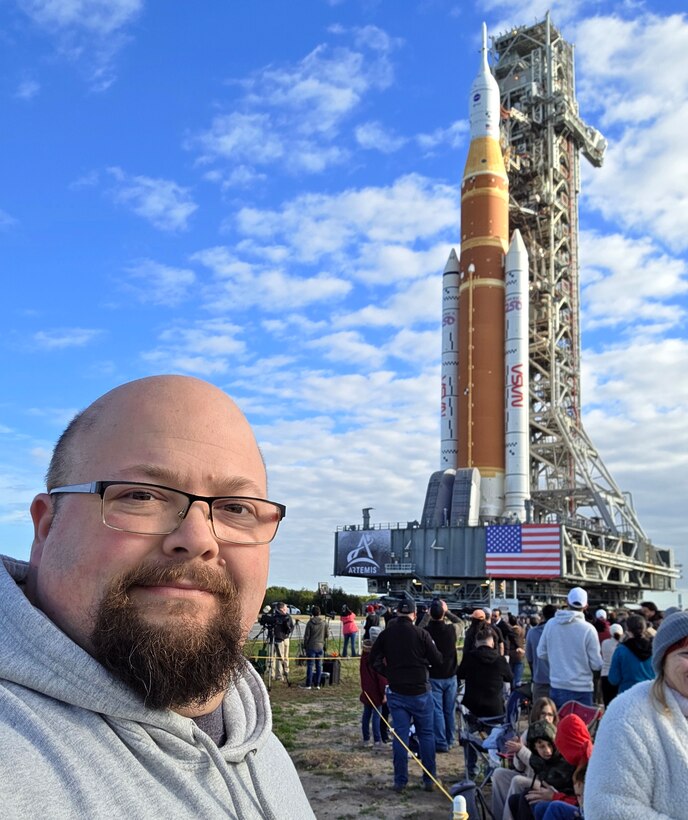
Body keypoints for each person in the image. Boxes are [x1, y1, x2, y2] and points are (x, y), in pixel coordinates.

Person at [0, 375, 314, 818]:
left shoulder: (253, 737)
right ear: (46, 527)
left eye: (236, 508)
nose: (199, 538)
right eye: (142, 496)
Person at [584, 610, 688, 818]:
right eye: (686, 654)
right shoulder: (627, 718)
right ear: (662, 660)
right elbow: (608, 807)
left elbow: (613, 677)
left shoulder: (621, 651)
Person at [369, 597, 443, 793]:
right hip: (420, 691)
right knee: (426, 735)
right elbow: (438, 660)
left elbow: (372, 659)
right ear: (414, 614)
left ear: (397, 613)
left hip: (397, 692)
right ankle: (429, 779)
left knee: (400, 737)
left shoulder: (387, 634)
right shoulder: (422, 634)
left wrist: (388, 673)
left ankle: (400, 781)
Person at [457, 624, 513, 779]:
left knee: (470, 740)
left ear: (476, 642)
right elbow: (510, 678)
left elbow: (460, 674)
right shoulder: (500, 660)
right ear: (493, 643)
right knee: (495, 742)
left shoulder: (469, 658)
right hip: (494, 710)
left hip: (473, 708)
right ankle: (494, 769)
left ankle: (471, 770)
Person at [491, 697, 559, 820]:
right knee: (498, 773)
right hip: (529, 776)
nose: (546, 718)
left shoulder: (555, 736)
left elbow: (543, 766)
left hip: (546, 783)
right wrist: (517, 753)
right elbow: (519, 767)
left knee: (518, 781)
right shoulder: (529, 733)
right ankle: (498, 816)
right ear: (536, 715)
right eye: (543, 714)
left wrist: (521, 750)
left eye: (550, 715)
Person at [537, 587, 602, 708]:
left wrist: (557, 659)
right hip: (583, 688)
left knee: (561, 726)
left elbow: (541, 653)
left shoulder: (551, 624)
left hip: (558, 685)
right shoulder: (588, 629)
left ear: (567, 602)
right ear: (586, 606)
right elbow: (596, 664)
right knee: (581, 726)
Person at [424, 599, 459, 752]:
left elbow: (416, 629)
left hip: (433, 674)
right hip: (450, 674)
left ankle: (441, 741)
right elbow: (461, 622)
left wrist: (426, 616)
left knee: (437, 710)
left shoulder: (425, 631)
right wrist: (448, 611)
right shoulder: (452, 629)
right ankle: (451, 739)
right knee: (449, 710)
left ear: (431, 613)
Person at [607, 613, 654, 694]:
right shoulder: (655, 649)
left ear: (628, 630)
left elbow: (614, 679)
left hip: (627, 694)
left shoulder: (621, 650)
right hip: (650, 694)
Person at [359, 631, 387, 749]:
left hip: (366, 690)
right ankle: (377, 740)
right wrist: (384, 693)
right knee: (376, 716)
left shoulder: (363, 657)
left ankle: (366, 739)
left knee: (366, 715)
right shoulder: (376, 659)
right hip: (376, 692)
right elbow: (380, 678)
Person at [526, 605, 557, 701]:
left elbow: (529, 657)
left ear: (543, 615)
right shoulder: (560, 632)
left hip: (540, 678)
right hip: (558, 679)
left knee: (539, 712)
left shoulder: (532, 632)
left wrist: (534, 674)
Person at [302, 605, 329, 689]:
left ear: (312, 613)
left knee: (310, 665)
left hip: (311, 646)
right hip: (320, 645)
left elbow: (306, 636)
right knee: (319, 665)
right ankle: (317, 684)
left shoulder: (310, 623)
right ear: (319, 613)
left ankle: (309, 684)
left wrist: (305, 645)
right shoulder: (324, 623)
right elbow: (327, 635)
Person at [599, 623, 623, 705]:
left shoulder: (605, 643)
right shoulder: (623, 645)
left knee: (607, 702)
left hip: (605, 674)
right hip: (618, 675)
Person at [272, 601, 294, 682]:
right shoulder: (275, 617)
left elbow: (291, 626)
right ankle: (279, 675)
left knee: (286, 657)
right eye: (285, 608)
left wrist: (288, 629)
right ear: (281, 609)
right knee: (279, 658)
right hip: (279, 639)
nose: (287, 609)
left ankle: (286, 672)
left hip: (286, 638)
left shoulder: (288, 616)